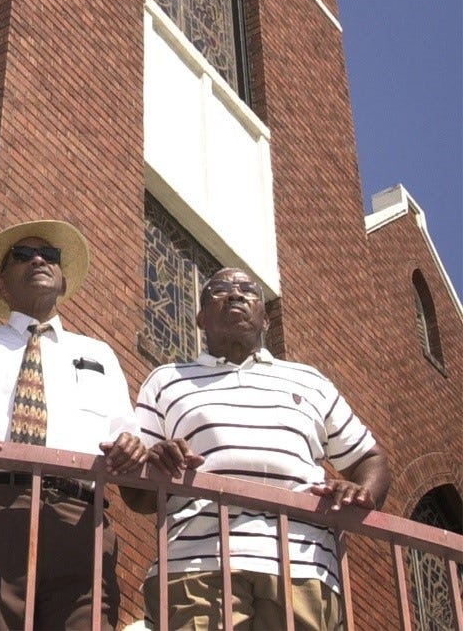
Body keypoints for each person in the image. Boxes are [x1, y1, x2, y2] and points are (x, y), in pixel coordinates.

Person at [130, 266, 391, 630]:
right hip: (197, 563)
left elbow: (370, 458)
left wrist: (362, 492)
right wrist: (155, 463)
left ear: (266, 320)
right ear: (201, 318)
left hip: (304, 564)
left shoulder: (310, 381)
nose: (235, 294)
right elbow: (137, 495)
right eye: (219, 289)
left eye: (248, 290)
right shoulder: (166, 381)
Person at [0, 220, 148, 630]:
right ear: (1, 285)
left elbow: (128, 436)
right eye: (23, 255)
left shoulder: (100, 353)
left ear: (63, 281)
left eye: (49, 256)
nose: (38, 260)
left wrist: (131, 447)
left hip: (82, 516)